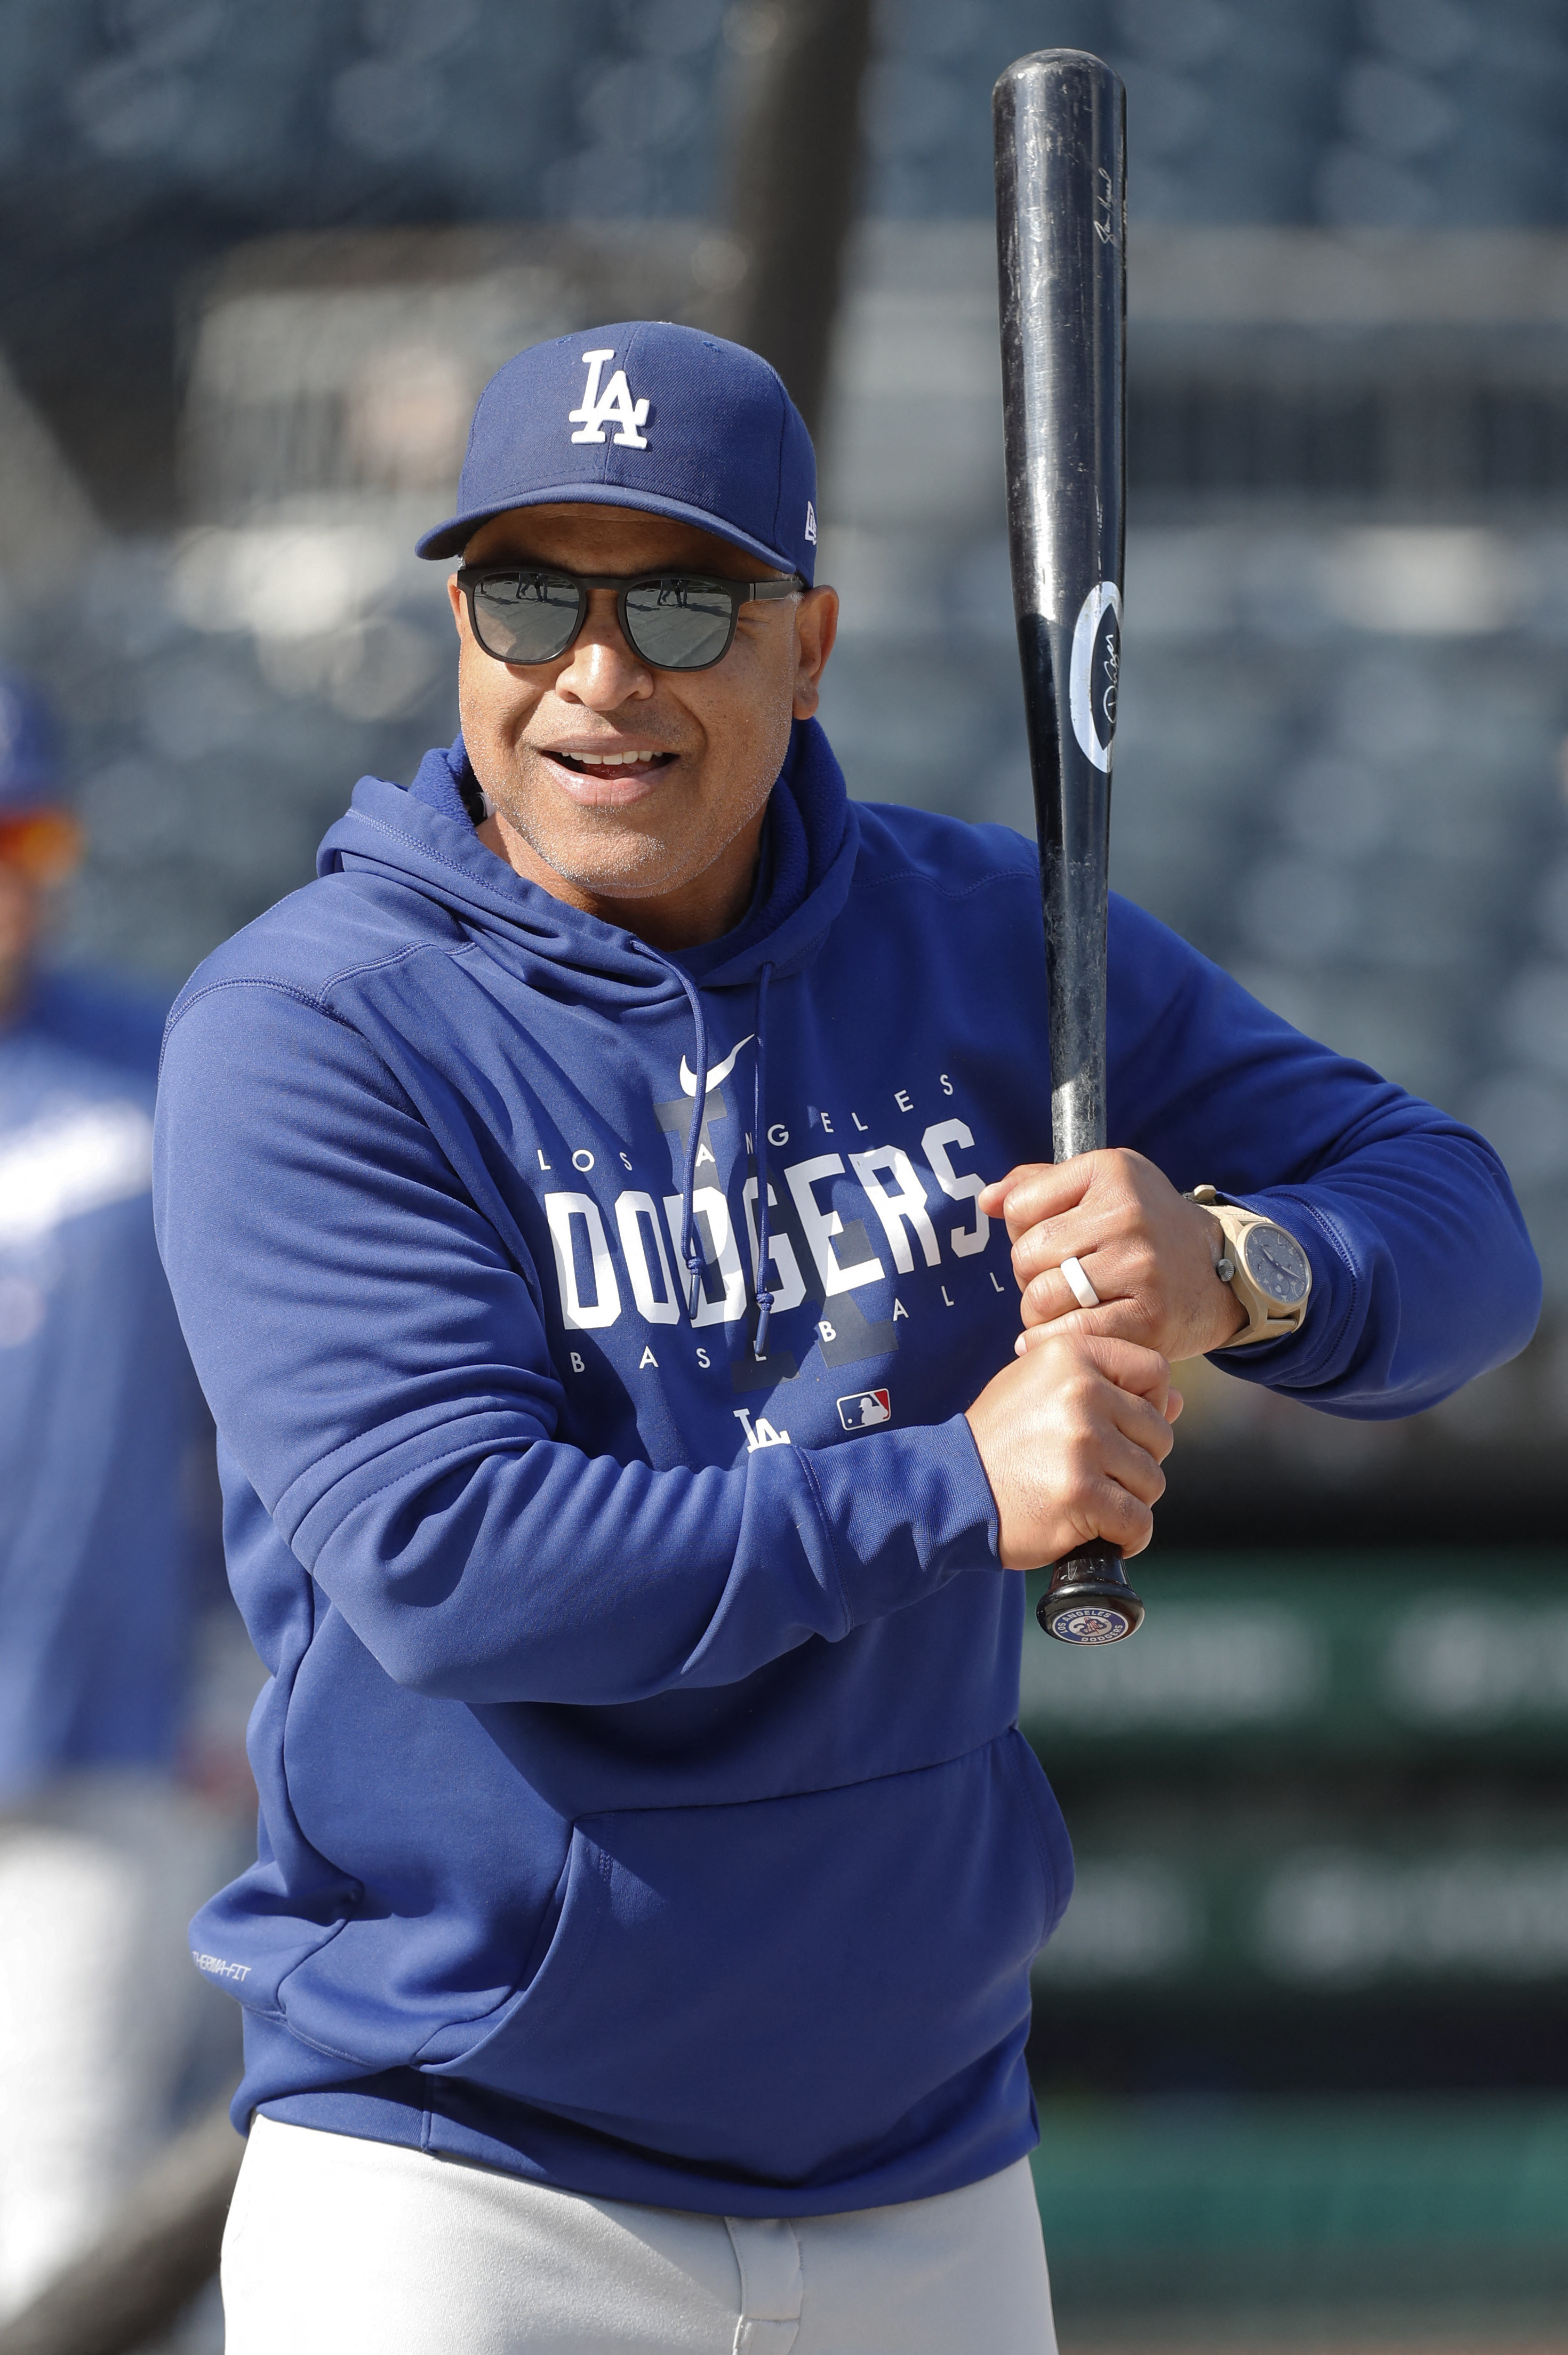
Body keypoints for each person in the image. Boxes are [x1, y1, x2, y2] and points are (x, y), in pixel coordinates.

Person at [153, 324, 1540, 2353]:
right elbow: (454, 1565)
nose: (597, 676)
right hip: (461, 2180)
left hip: (925, 2169)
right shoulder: (316, 1031)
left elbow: (1464, 1242)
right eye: (531, 594)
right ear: (457, 621)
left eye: (684, 600)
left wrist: (1236, 1267)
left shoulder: (982, 936)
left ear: (806, 645)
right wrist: (960, 1484)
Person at [0, 672, 227, 2317]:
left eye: (30, 837)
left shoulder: (164, 1071)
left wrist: (244, 1675)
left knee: (58, 2207)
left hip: (93, 1746)